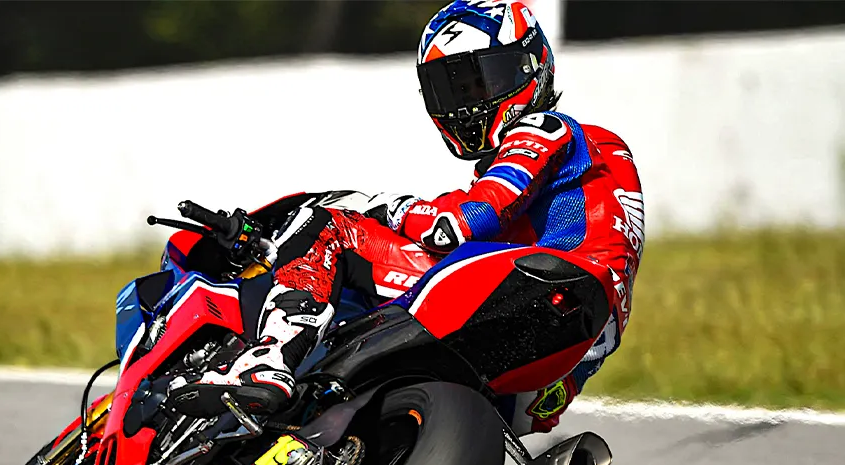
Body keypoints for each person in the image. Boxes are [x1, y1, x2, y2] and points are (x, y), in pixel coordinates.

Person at [170, 0, 644, 439]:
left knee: (330, 227)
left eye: (481, 81)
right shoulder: (599, 165)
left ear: (529, 66)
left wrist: (390, 208)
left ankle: (267, 362)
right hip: (559, 355)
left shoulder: (546, 128)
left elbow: (466, 221)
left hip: (524, 289)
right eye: (451, 88)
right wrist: (569, 381)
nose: (467, 103)